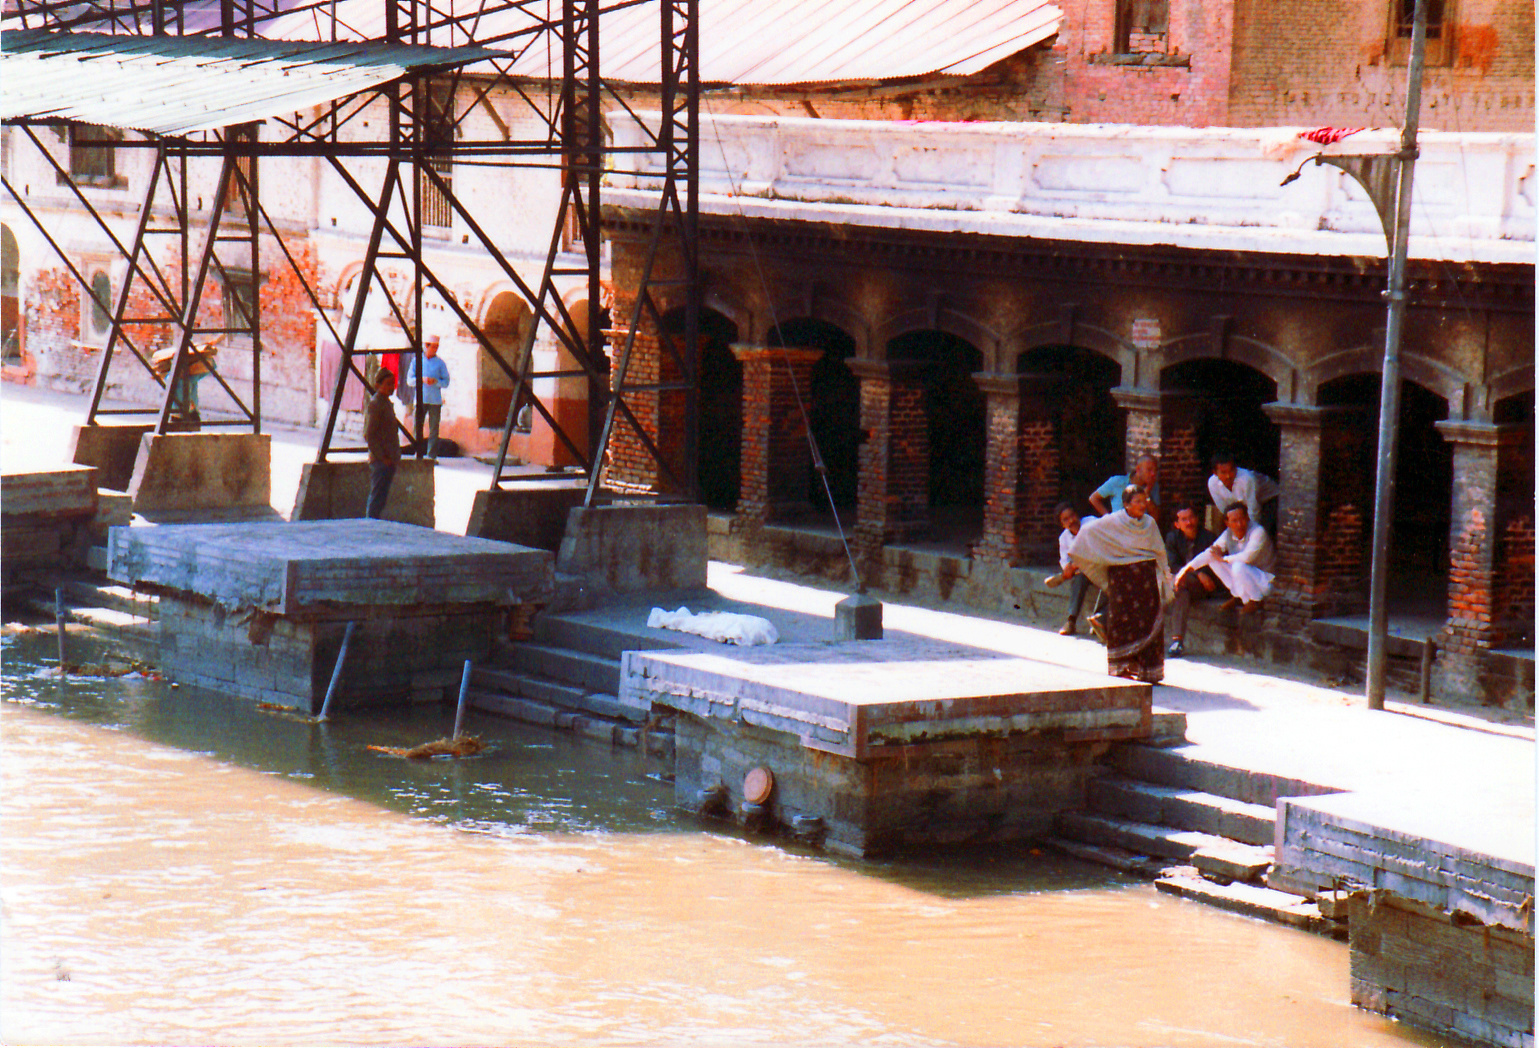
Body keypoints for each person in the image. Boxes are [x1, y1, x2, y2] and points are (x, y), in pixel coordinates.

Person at [1068, 484, 1174, 683]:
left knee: (1149, 622)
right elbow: (1087, 533)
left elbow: (1159, 551)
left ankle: (1147, 669)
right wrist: (1076, 560)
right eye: (1137, 502)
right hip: (1123, 582)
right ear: (1126, 505)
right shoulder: (1113, 522)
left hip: (1146, 582)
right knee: (1122, 622)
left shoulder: (1149, 524)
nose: (1143, 505)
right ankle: (1122, 666)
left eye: (1145, 501)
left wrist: (1166, 576)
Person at [1176, 501, 1276, 614]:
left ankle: (1255, 600)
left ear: (1247, 517)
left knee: (1238, 566)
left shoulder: (1258, 531)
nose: (1239, 524)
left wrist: (1224, 559)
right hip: (1245, 575)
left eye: (1242, 519)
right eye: (1234, 521)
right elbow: (1209, 553)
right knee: (1213, 559)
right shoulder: (1228, 533)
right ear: (1227, 523)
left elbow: (1247, 557)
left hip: (1265, 580)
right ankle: (1240, 596)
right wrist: (1187, 569)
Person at [1164, 503, 1225, 658]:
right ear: (1177, 524)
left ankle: (1174, 640)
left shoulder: (1209, 538)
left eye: (1191, 518)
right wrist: (1197, 573)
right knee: (1181, 591)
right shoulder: (1172, 538)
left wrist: (1200, 575)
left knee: (1178, 584)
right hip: (1185, 583)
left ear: (1197, 519)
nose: (1189, 522)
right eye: (1184, 520)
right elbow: (1173, 564)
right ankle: (1177, 641)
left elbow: (1213, 567)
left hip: (1206, 586)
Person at [1043, 501, 1098, 636]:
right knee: (1079, 579)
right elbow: (1064, 562)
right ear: (1062, 524)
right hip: (1085, 572)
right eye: (1066, 520)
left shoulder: (1091, 522)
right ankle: (1071, 621)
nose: (1071, 521)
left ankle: (1099, 621)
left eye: (1072, 516)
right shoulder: (1064, 538)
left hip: (1101, 564)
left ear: (1077, 514)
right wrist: (1069, 569)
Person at [1208, 451, 1280, 538]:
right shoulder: (1212, 483)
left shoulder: (1247, 479)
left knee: (1262, 532)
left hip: (1269, 499)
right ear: (1215, 473)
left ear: (1236, 468)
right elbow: (1226, 511)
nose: (1228, 476)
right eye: (1223, 472)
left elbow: (1254, 511)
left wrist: (1248, 535)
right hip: (1247, 505)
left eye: (1231, 471)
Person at [364, 368, 401, 519]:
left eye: (392, 384)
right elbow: (370, 435)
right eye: (387, 384)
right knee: (377, 495)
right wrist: (382, 457)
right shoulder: (376, 404)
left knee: (381, 496)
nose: (391, 387)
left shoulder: (385, 403)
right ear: (378, 385)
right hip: (381, 460)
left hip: (389, 458)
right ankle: (370, 523)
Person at [406, 334, 450, 459]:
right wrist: (422, 380)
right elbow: (409, 380)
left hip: (435, 401)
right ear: (426, 346)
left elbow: (446, 382)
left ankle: (431, 456)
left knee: (434, 430)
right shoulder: (416, 361)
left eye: (437, 347)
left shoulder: (440, 363)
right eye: (433, 347)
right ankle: (418, 453)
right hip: (420, 399)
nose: (435, 350)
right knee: (417, 427)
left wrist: (436, 382)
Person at [1089, 453, 1161, 521]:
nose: (1153, 474)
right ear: (1138, 469)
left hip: (1140, 530)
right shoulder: (1118, 482)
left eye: (1155, 470)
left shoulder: (1153, 487)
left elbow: (1155, 518)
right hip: (1118, 529)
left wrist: (1147, 494)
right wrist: (1109, 518)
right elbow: (1093, 498)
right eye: (1149, 470)